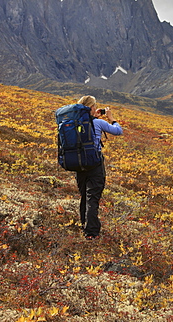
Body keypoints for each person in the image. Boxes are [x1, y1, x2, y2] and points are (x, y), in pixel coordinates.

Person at [76, 95, 123, 240]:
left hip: (79, 163)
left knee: (84, 195)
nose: (97, 108)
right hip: (95, 165)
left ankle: (84, 224)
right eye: (95, 106)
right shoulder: (97, 123)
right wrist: (111, 118)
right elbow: (118, 131)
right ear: (91, 108)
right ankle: (91, 233)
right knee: (93, 197)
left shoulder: (74, 122)